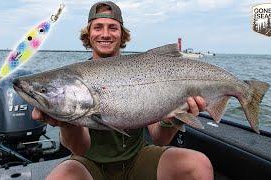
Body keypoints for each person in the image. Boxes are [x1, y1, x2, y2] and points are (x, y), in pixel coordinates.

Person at [32, 1, 213, 179]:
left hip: (137, 159)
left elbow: (159, 138)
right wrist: (67, 123)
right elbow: (80, 149)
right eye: (98, 27)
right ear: (88, 34)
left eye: (112, 27)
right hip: (89, 165)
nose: (105, 34)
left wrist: (175, 117)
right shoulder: (72, 83)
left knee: (199, 165)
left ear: (122, 34)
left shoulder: (143, 71)